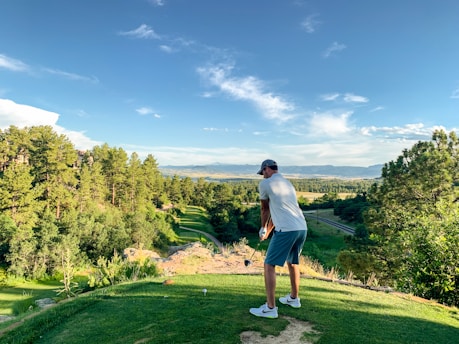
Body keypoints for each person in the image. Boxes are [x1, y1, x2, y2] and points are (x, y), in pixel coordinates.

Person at [249, 159, 308, 319]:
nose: (263, 176)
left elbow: (265, 208)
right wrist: (267, 231)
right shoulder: (287, 183)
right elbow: (278, 212)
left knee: (269, 265)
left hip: (286, 230)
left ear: (267, 169)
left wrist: (262, 227)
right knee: (293, 262)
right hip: (301, 227)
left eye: (263, 173)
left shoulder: (266, 184)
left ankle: (270, 308)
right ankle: (294, 299)